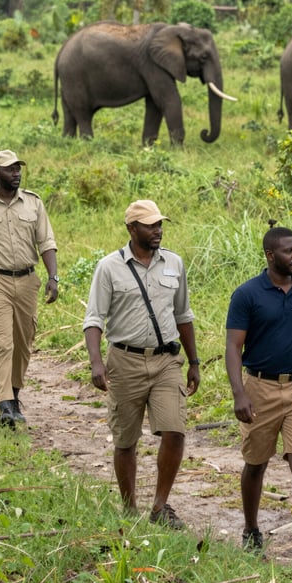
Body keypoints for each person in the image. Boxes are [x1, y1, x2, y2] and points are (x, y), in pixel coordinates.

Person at [83, 200, 200, 527]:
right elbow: (94, 319)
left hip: (166, 362)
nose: (158, 230)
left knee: (175, 431)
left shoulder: (173, 263)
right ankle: (129, 506)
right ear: (131, 229)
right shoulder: (109, 267)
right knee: (125, 440)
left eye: (160, 224)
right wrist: (96, 363)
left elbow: (183, 315)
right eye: (150, 225)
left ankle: (160, 507)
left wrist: (194, 361)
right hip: (125, 361)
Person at [225, 225, 292, 570]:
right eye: (289, 251)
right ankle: (252, 529)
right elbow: (233, 346)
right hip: (260, 387)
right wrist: (239, 393)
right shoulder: (247, 295)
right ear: (270, 255)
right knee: (256, 464)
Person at [0, 149, 59, 428]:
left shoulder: (33, 203)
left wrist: (53, 277)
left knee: (23, 343)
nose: (16, 172)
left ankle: (14, 397)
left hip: (28, 281)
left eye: (18, 168)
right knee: (1, 342)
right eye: (9, 169)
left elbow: (46, 243)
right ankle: (5, 405)